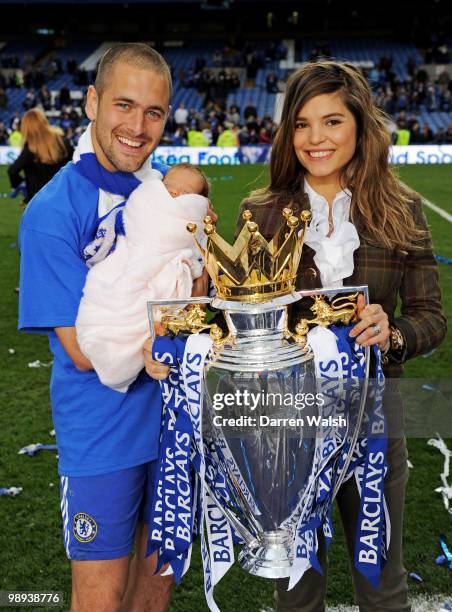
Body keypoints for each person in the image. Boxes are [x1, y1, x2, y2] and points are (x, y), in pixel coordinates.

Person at [229, 61, 446, 611]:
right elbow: (234, 322)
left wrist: (391, 332)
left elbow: (430, 316)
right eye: (301, 124)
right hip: (289, 424)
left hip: (376, 418)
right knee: (297, 592)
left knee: (382, 584)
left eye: (331, 121)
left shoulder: (402, 210)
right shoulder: (260, 214)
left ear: (359, 126)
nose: (315, 139)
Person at [18, 43, 212, 612]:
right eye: (124, 106)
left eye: (154, 112)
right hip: (101, 436)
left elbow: (198, 306)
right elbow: (82, 351)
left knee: (153, 596)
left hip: (175, 427)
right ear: (93, 102)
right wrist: (170, 322)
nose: (138, 126)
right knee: (101, 600)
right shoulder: (53, 212)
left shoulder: (172, 201)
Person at [76, 163, 210, 392]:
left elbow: (199, 285)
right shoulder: (135, 209)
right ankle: (109, 341)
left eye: (186, 193)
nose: (174, 193)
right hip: (127, 271)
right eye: (168, 187)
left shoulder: (198, 232)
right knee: (112, 294)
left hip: (163, 280)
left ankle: (125, 351)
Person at [8, 108, 73, 205]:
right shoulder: (62, 141)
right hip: (63, 197)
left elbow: (12, 171)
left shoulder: (30, 148)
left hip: (38, 201)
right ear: (44, 121)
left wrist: (21, 185)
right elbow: (77, 165)